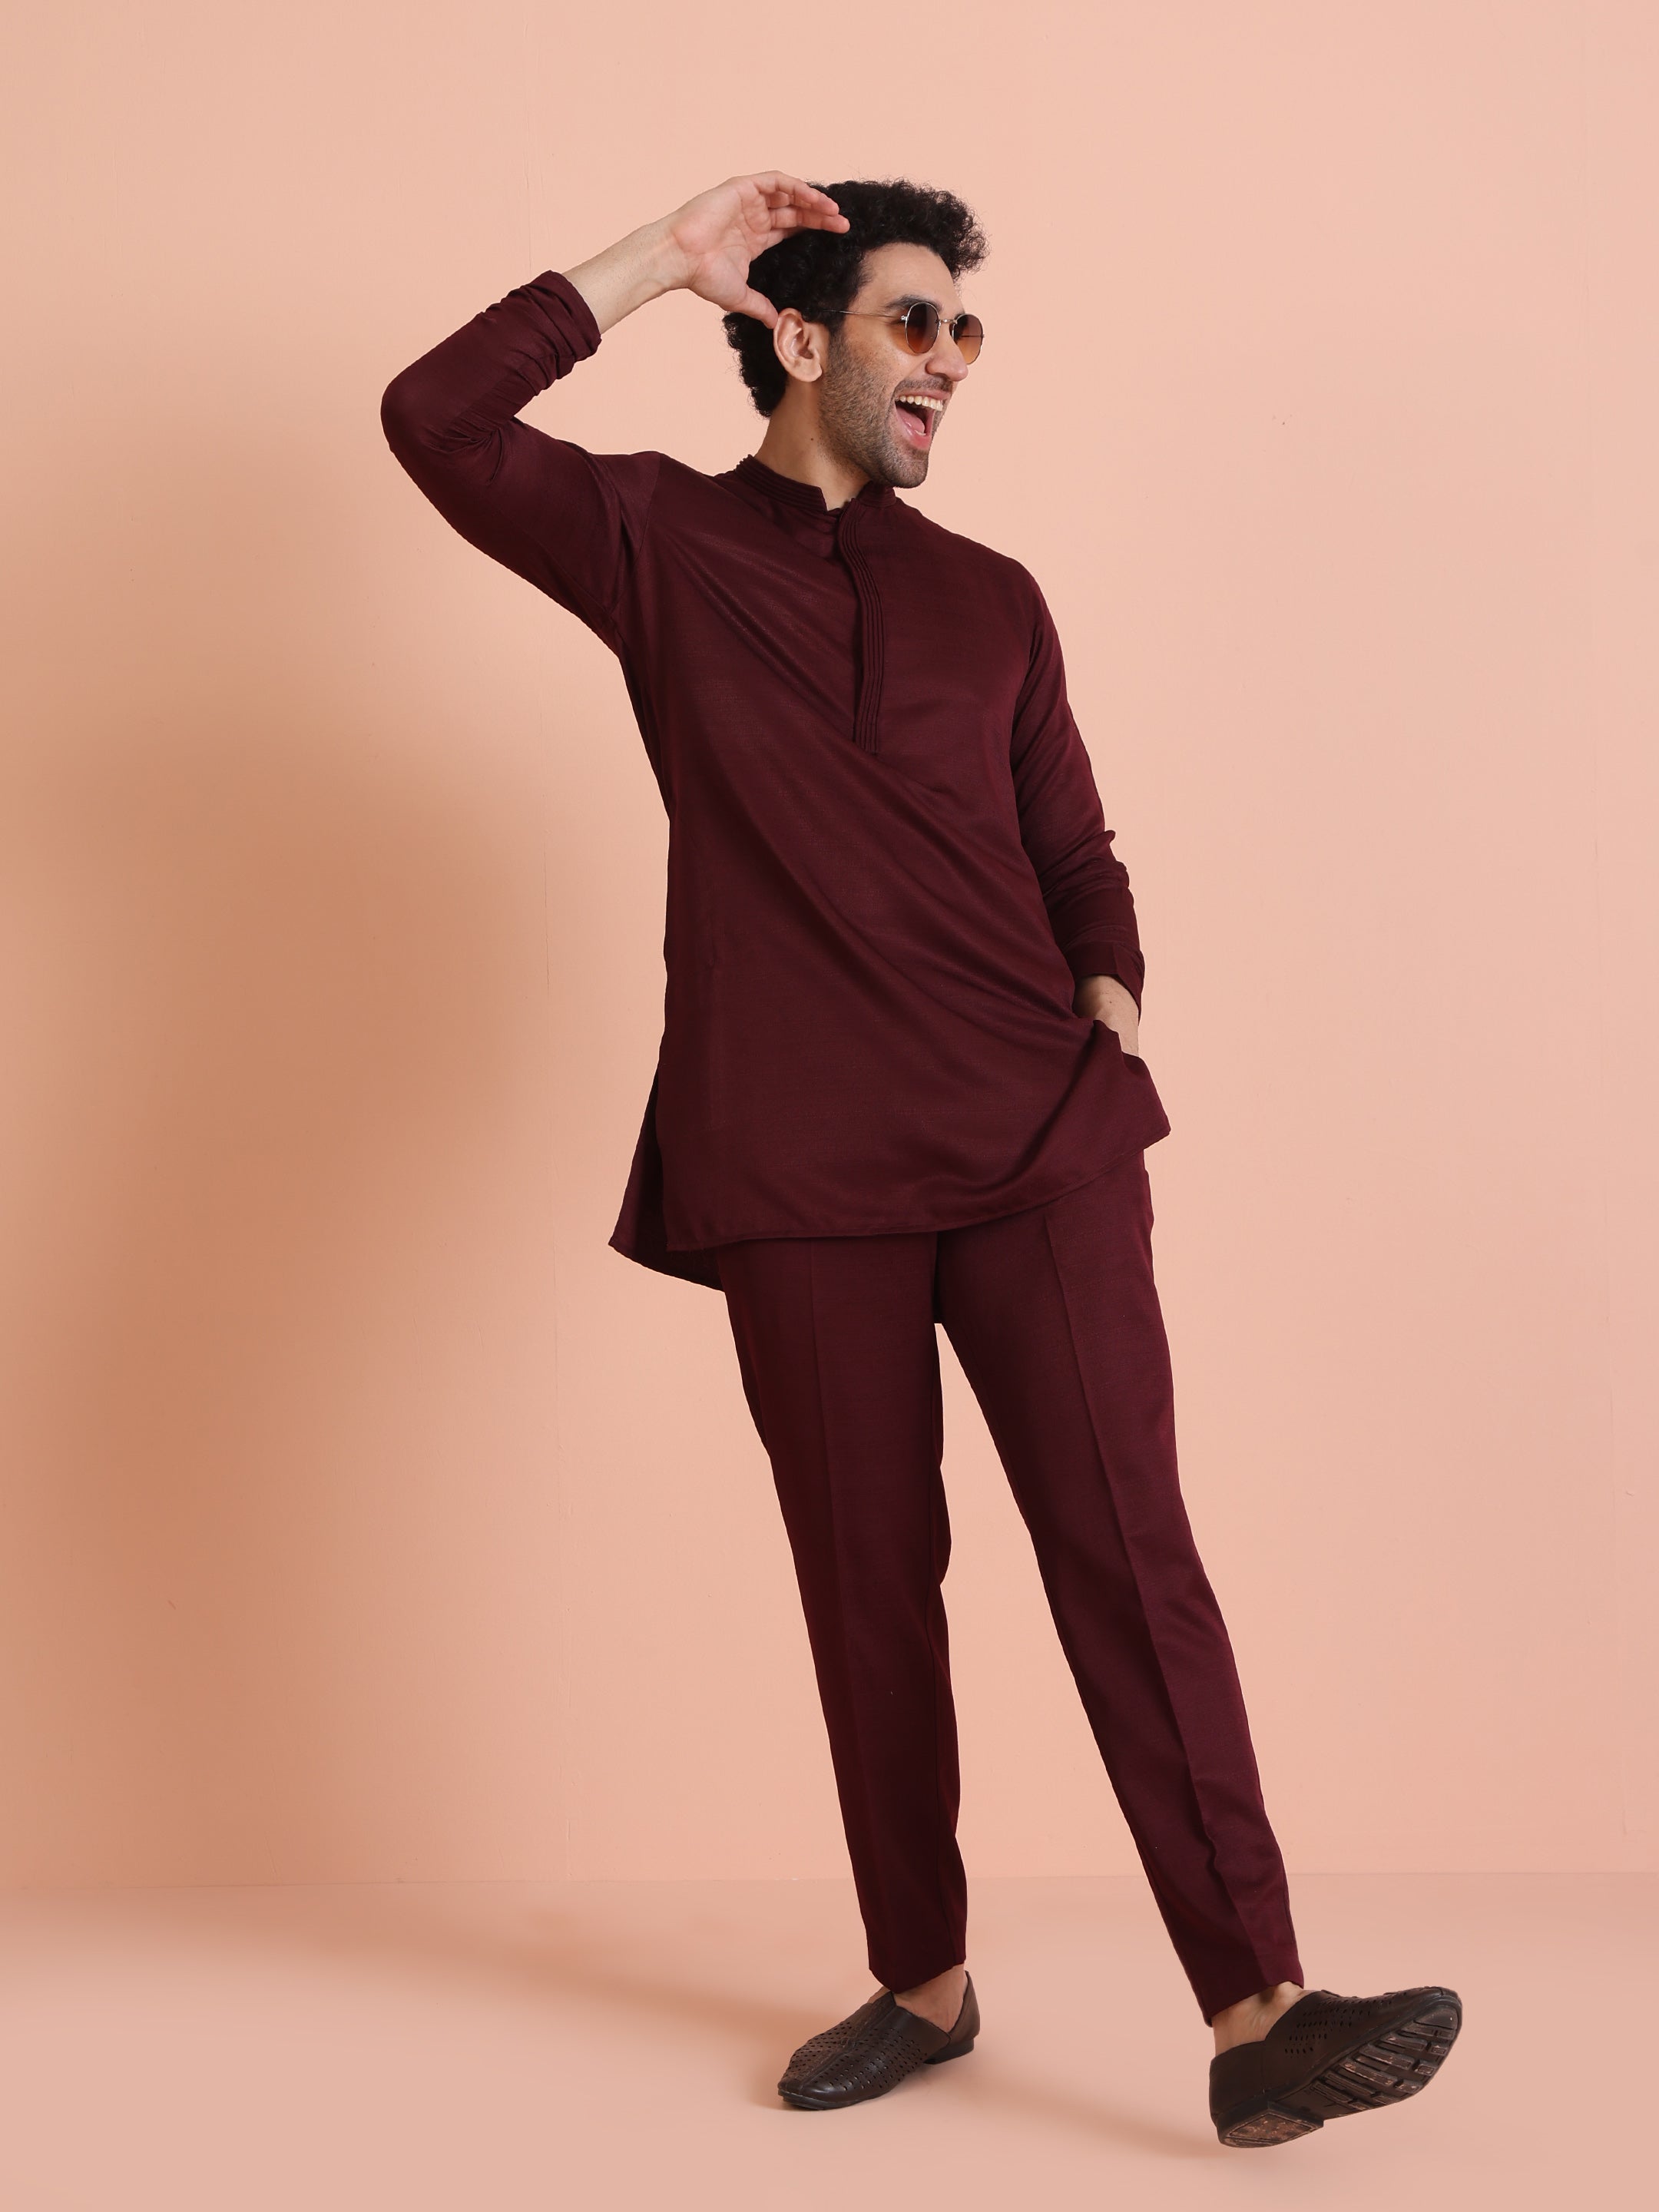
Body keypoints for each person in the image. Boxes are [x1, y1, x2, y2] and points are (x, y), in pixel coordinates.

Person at [381, 171, 1461, 2146]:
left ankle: (1261, 2011)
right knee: (867, 1585)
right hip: (797, 1164)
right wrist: (660, 262)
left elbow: (1076, 851)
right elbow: (433, 419)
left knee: (1133, 1556)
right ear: (801, 338)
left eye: (966, 327)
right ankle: (922, 1980)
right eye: (912, 319)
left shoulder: (994, 597)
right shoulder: (656, 541)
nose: (951, 357)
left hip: (1040, 1140)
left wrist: (1109, 999)